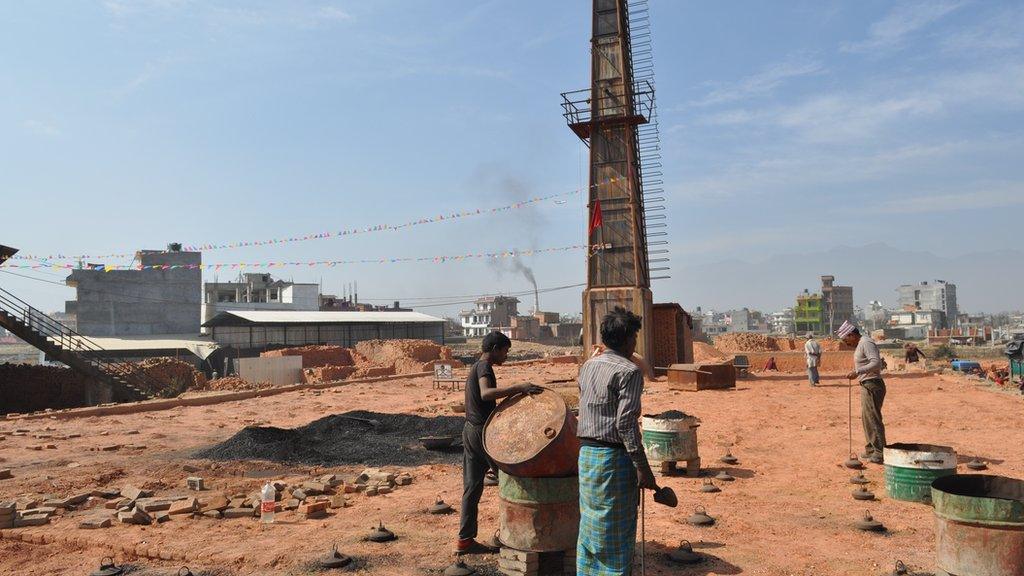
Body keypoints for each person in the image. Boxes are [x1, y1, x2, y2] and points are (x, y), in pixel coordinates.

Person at [576, 307, 657, 576]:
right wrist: (642, 467)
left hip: (587, 457)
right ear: (627, 340)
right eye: (634, 337)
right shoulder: (629, 372)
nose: (635, 342)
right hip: (614, 459)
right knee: (616, 530)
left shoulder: (587, 366)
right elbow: (625, 424)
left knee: (592, 527)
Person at [456, 331, 539, 555]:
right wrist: (519, 387)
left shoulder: (476, 366)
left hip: (470, 430)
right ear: (494, 349)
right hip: (482, 433)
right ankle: (516, 534)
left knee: (472, 487)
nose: (506, 355)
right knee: (511, 481)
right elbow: (486, 394)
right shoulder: (484, 367)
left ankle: (465, 540)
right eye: (505, 351)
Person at [838, 320, 887, 464]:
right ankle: (871, 449)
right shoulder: (861, 344)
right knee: (867, 419)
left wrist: (857, 371)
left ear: (852, 335)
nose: (846, 342)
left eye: (845, 339)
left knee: (873, 418)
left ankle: (880, 452)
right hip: (867, 384)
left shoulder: (866, 342)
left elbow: (876, 363)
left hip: (873, 384)